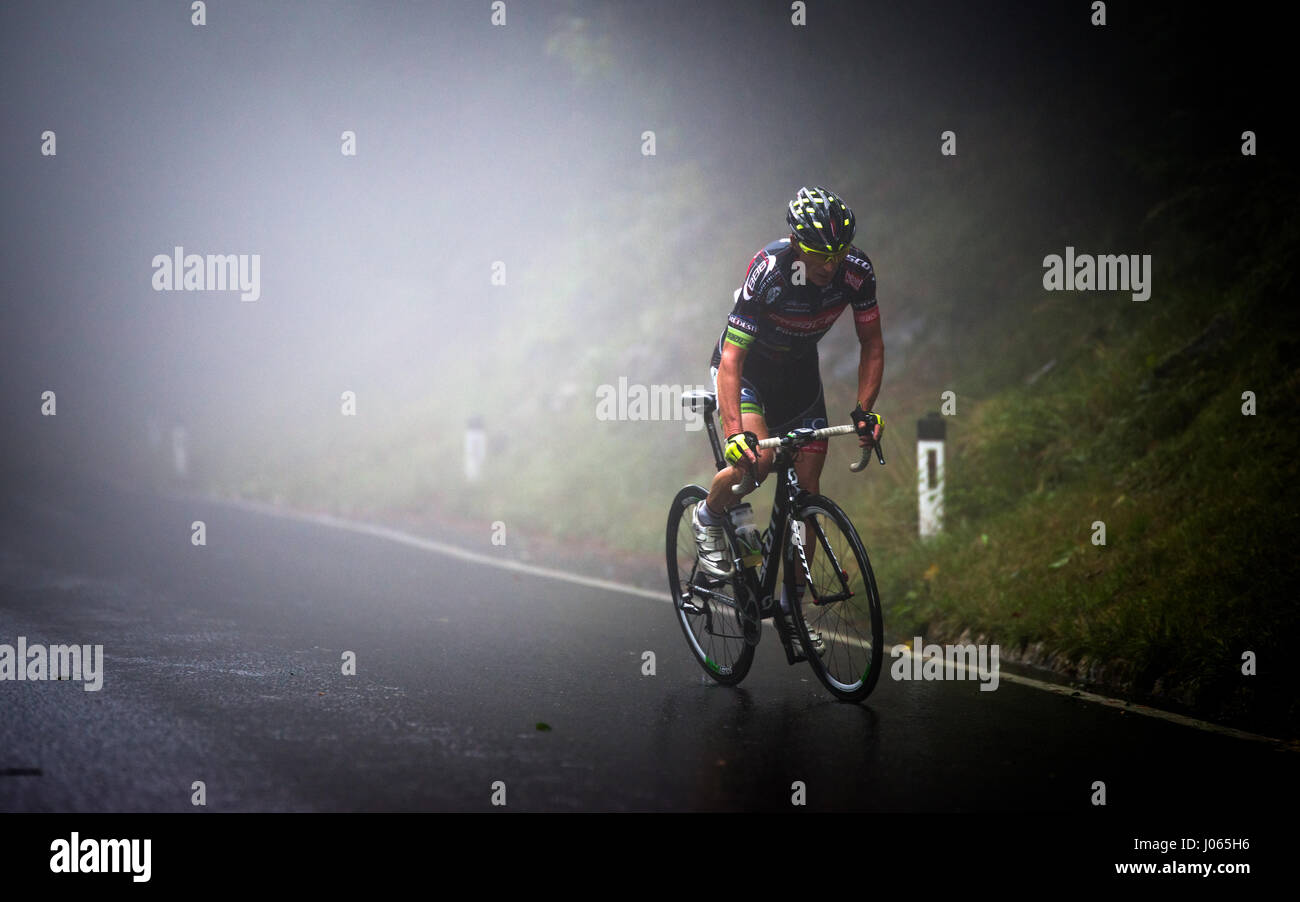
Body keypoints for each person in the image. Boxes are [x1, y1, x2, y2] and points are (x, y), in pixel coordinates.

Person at [692, 186, 885, 655]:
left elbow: (872, 345)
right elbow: (734, 359)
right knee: (756, 465)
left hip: (798, 379)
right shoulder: (769, 273)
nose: (830, 264)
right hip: (748, 374)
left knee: (809, 489)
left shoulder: (856, 273)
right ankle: (708, 515)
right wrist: (737, 434)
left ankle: (791, 609)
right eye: (820, 254)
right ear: (797, 243)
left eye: (838, 253)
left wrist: (864, 410)